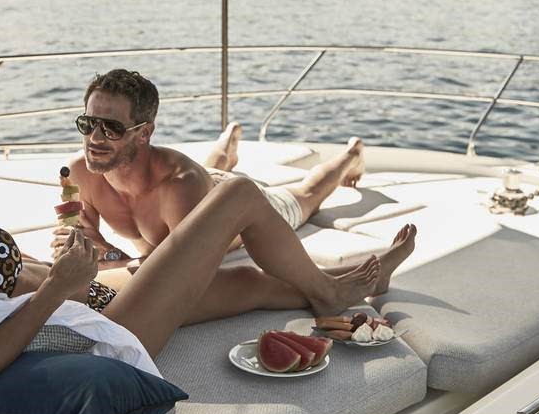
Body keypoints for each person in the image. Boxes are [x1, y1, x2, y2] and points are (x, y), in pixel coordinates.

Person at [0, 43, 414, 412]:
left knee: (240, 287)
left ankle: (348, 280)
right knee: (236, 194)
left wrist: (77, 270)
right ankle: (331, 291)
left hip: (77, 294)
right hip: (89, 324)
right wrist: (61, 287)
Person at [53, 69, 410, 274]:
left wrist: (110, 256)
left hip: (231, 198)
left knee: (305, 197)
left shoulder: (180, 187)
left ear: (144, 132)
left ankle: (350, 154)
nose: (94, 138)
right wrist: (102, 251)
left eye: (111, 127)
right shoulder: (79, 173)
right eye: (87, 123)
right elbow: (77, 239)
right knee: (207, 170)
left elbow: (172, 273)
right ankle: (228, 146)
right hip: (194, 181)